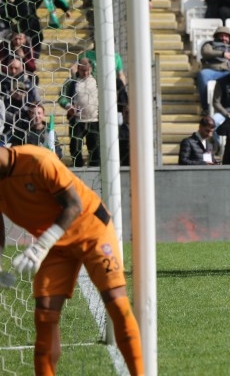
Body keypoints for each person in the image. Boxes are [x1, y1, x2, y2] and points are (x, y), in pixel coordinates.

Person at [0, 145, 143, 375]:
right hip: (56, 245)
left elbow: (74, 205)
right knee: (44, 313)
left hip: (92, 230)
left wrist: (40, 247)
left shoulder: (39, 160)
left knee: (116, 301)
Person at [196, 26, 230, 112]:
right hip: (213, 70)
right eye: (221, 35)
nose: (224, 38)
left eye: (226, 36)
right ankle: (205, 107)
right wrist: (223, 54)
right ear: (217, 36)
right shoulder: (210, 44)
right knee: (203, 74)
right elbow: (205, 52)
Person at [58, 58, 99, 167]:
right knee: (75, 147)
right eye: (82, 70)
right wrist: (69, 106)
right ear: (78, 69)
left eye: (87, 70)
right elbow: (62, 98)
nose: (85, 73)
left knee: (95, 148)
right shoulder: (71, 82)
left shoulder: (97, 80)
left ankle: (94, 169)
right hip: (77, 121)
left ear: (91, 68)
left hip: (94, 120)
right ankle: (78, 168)